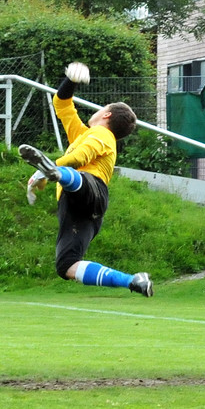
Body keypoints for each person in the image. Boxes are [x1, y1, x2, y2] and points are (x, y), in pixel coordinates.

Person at [20, 62, 153, 297]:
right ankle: (133, 281)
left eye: (102, 107)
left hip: (92, 191)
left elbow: (81, 156)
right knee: (67, 265)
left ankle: (57, 174)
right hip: (77, 207)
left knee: (79, 176)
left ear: (107, 114)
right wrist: (70, 81)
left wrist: (52, 170)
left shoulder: (103, 134)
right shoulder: (83, 135)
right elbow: (62, 105)